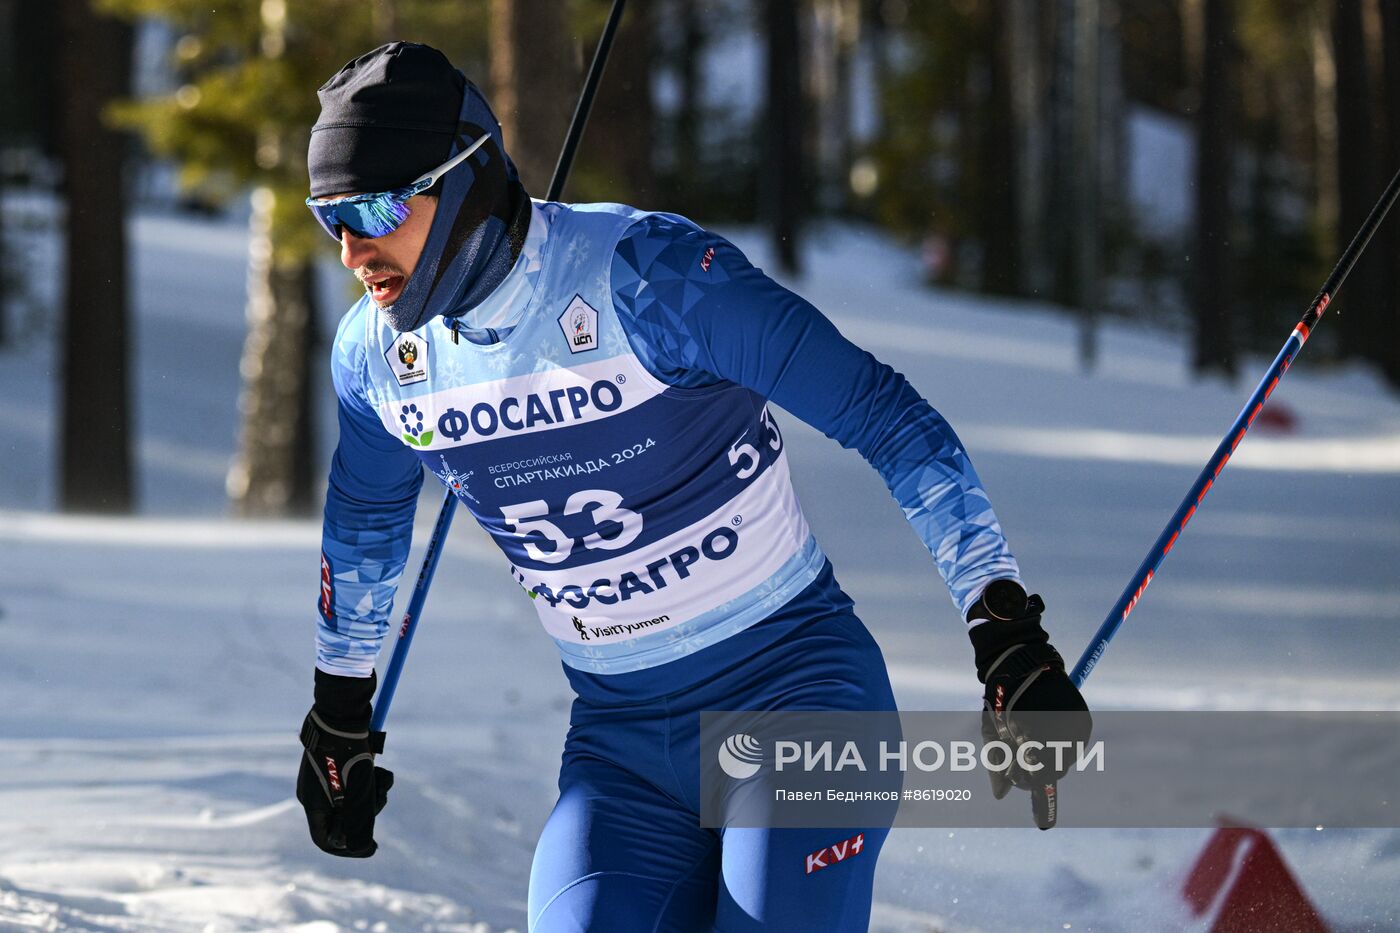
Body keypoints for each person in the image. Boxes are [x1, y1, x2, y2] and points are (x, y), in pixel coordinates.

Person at [294, 42, 1090, 932]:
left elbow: (887, 416)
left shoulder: (652, 280)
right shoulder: (378, 360)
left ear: (468, 174)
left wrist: (1005, 629)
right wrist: (339, 709)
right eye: (331, 219)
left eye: (374, 206)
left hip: (798, 695)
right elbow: (367, 518)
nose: (353, 250)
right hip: (621, 745)